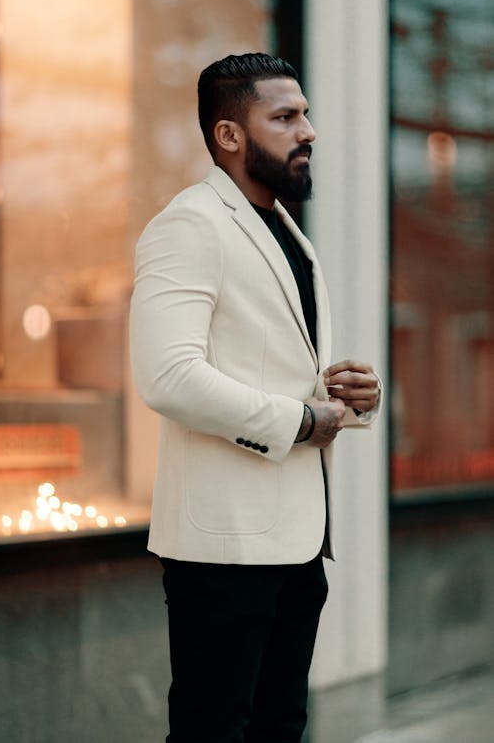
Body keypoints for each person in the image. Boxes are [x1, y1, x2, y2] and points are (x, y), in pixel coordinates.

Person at [130, 52, 381, 743]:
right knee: (215, 731)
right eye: (285, 116)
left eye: (304, 113)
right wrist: (301, 421)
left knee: (280, 726)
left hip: (297, 545)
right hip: (224, 551)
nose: (309, 130)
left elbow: (272, 364)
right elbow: (168, 375)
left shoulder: (289, 234)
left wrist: (352, 396)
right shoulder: (190, 225)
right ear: (229, 135)